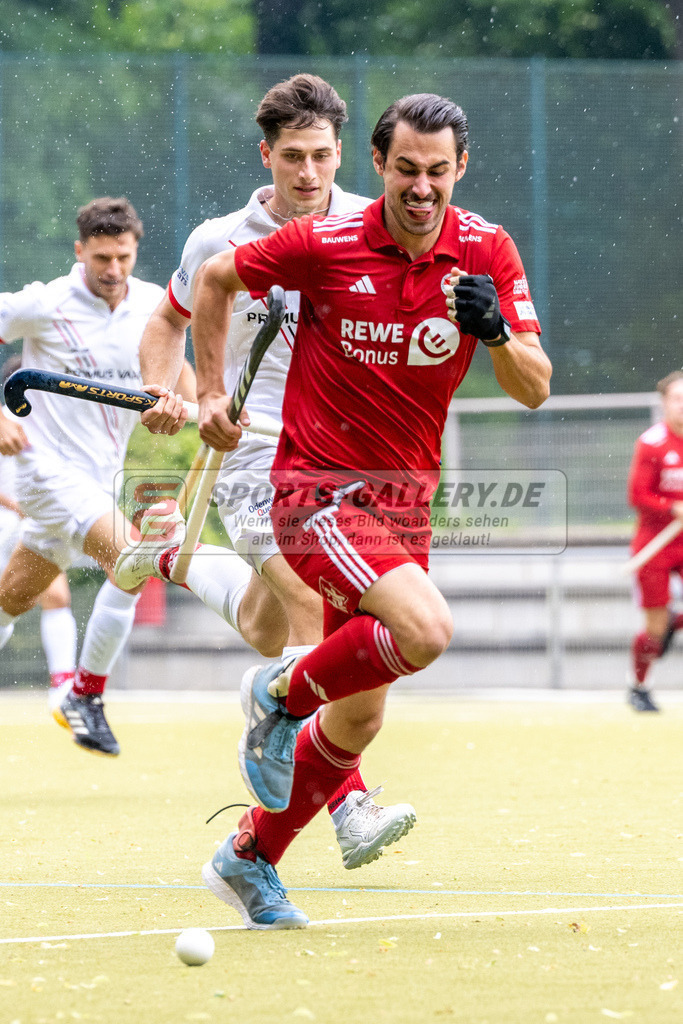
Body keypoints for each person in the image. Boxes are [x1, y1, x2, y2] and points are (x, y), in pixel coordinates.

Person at [188, 91, 551, 929]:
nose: (421, 188)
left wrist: (496, 332)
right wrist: (208, 392)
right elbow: (213, 280)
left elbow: (533, 388)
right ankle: (277, 692)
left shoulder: (486, 248)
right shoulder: (325, 242)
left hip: (403, 504)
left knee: (358, 715)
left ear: (460, 168)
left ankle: (248, 858)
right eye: (406, 169)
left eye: (438, 172)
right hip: (313, 489)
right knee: (424, 630)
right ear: (379, 165)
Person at [115, 74, 417, 872]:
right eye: (292, 157)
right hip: (253, 456)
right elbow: (167, 323)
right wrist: (161, 389)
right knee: (316, 612)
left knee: (266, 627)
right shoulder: (218, 240)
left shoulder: (377, 227)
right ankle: (349, 804)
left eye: (320, 155)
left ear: (342, 153)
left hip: (346, 460)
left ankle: (177, 557)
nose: (307, 173)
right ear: (266, 156)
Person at [0, 196, 194, 755]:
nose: (113, 270)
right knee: (133, 557)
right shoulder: (46, 303)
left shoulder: (153, 304)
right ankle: (84, 696)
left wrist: (202, 408)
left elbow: (178, 369)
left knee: (10, 602)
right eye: (101, 257)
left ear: (135, 252)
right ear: (80, 250)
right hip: (44, 473)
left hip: (100, 478)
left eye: (123, 257)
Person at [0, 355, 78, 692]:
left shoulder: (53, 426)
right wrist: (15, 506)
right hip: (5, 523)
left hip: (35, 524)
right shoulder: (4, 421)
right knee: (6, 606)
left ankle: (63, 688)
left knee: (56, 596)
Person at [626, 370, 683, 712]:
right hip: (656, 543)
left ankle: (676, 619)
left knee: (667, 622)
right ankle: (639, 686)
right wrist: (672, 508)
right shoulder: (652, 443)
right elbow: (638, 495)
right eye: (677, 399)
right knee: (655, 630)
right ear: (664, 403)